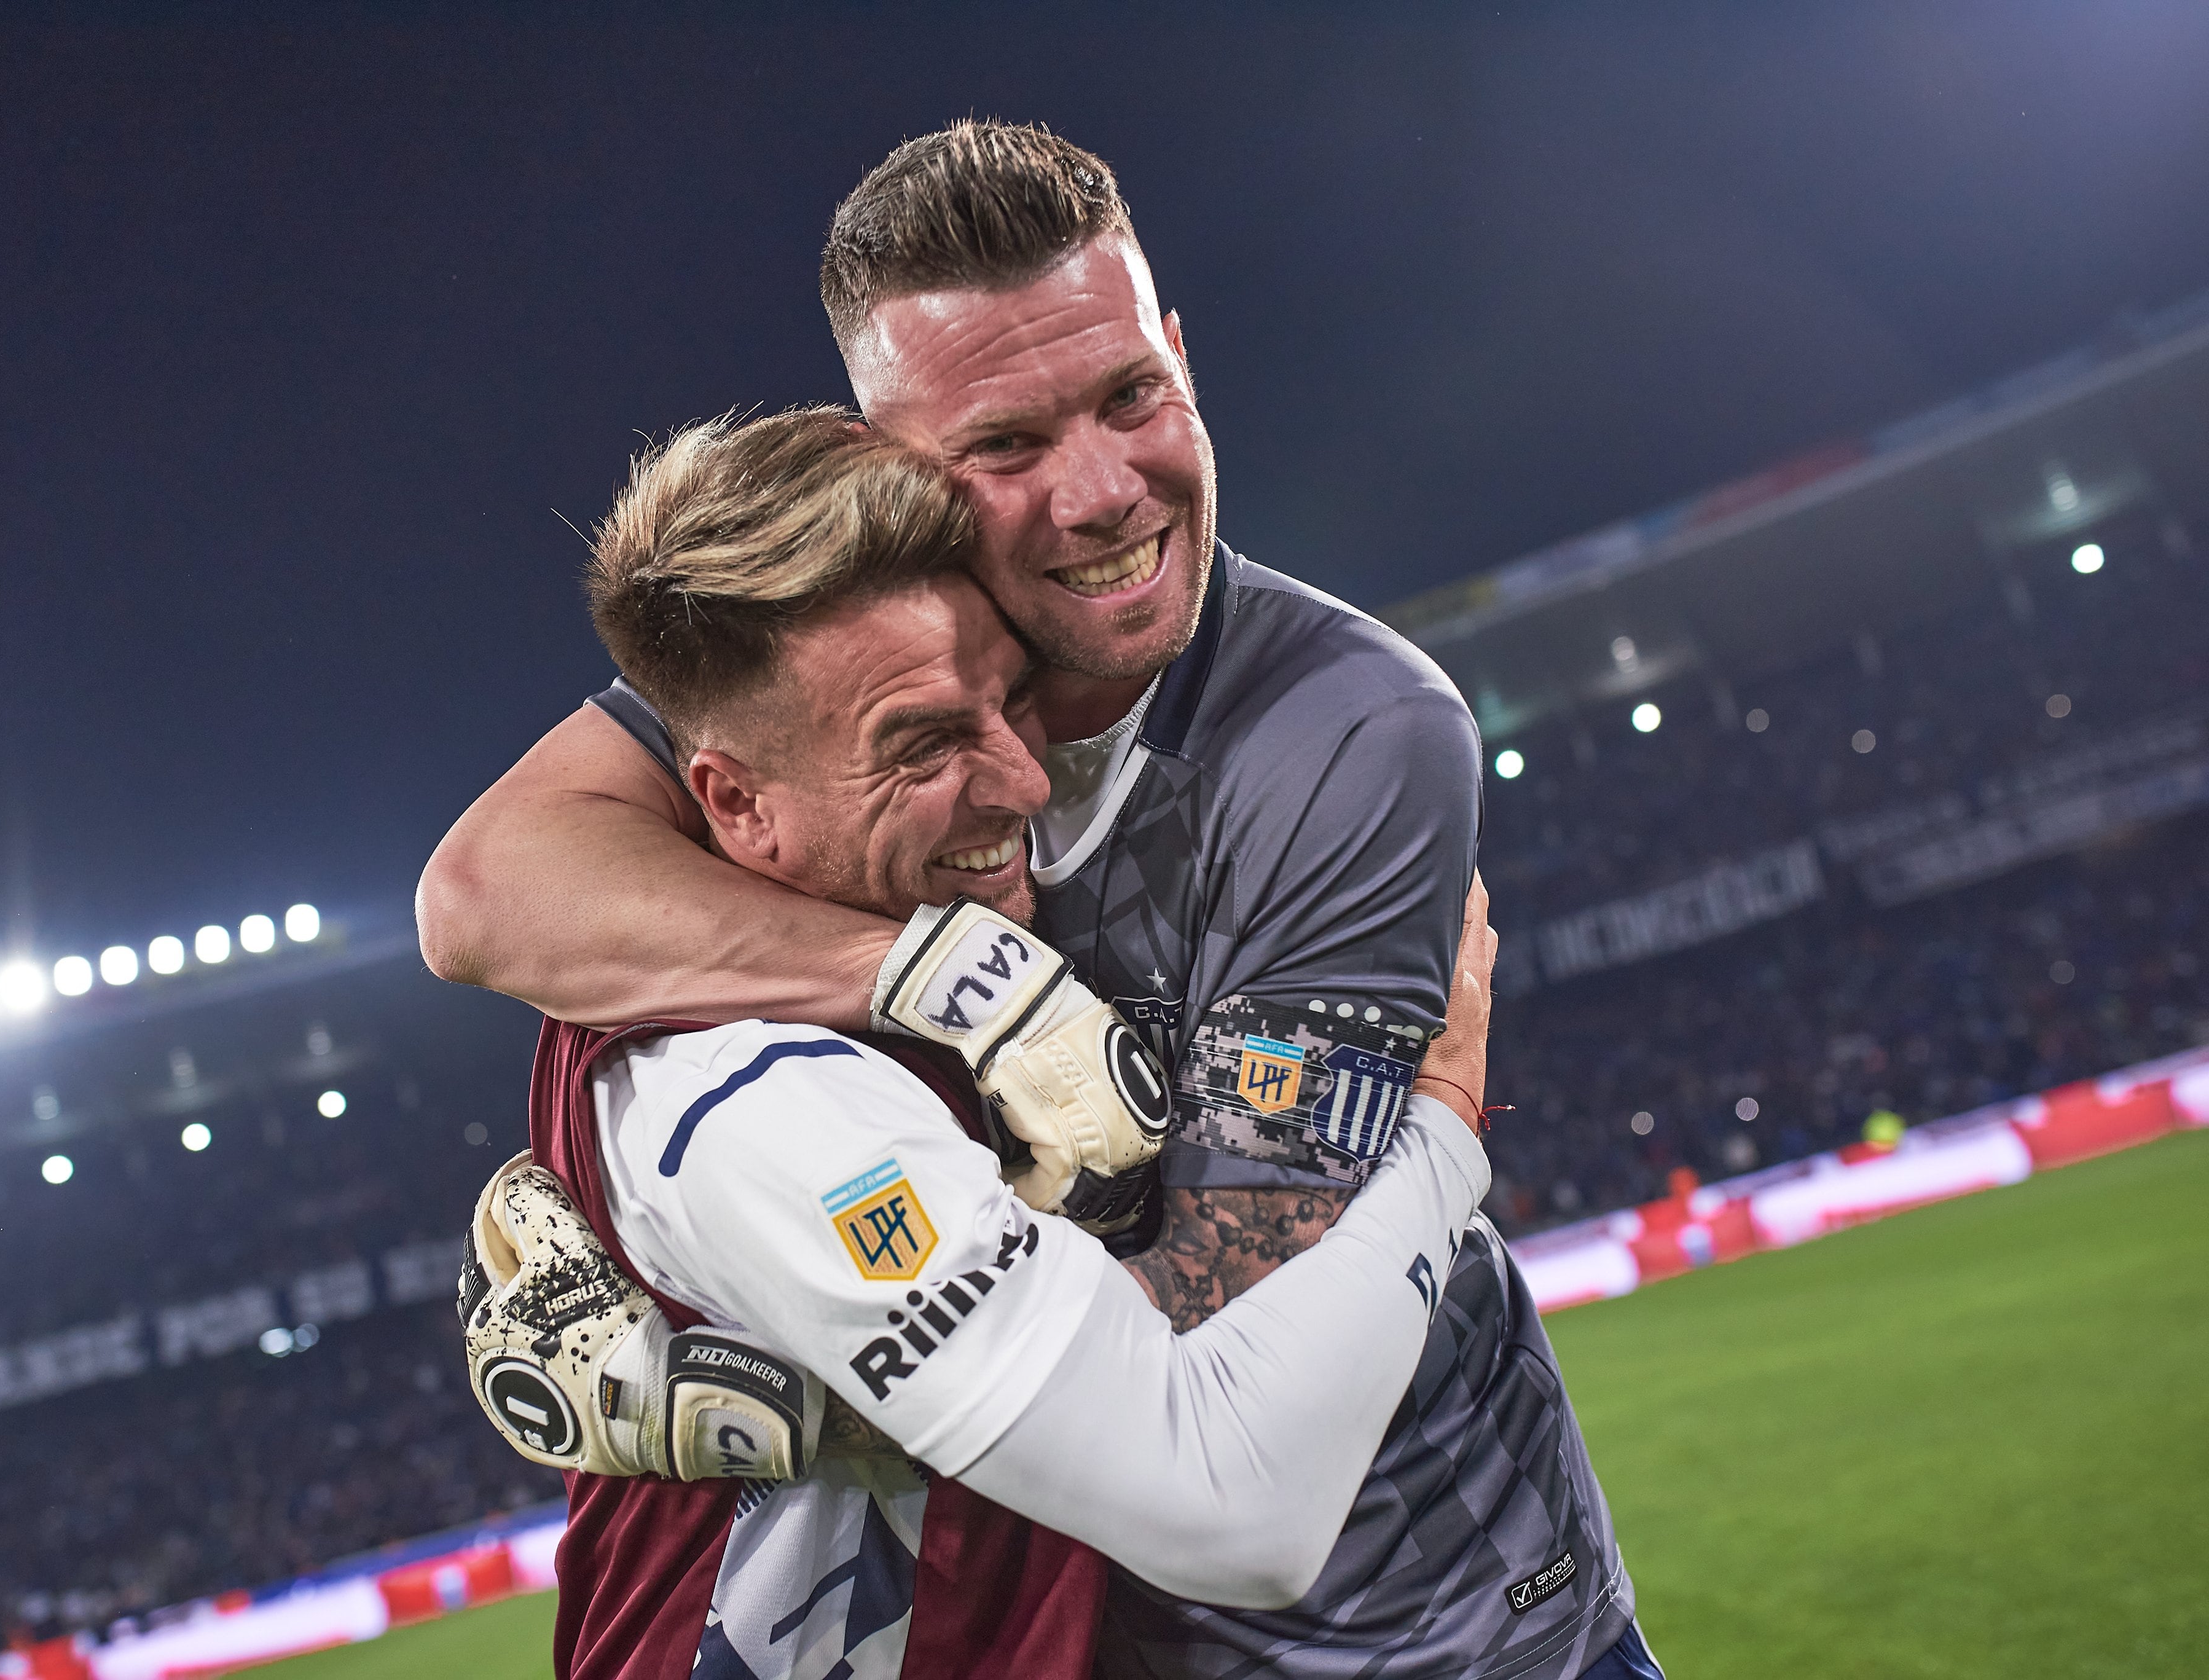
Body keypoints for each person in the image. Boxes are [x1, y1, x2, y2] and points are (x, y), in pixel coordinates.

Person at [422, 122, 1655, 1680]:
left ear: (1179, 357)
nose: (1099, 492)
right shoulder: (828, 663)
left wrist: (758, 1371)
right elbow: (483, 894)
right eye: (1003, 445)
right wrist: (947, 984)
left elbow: (1207, 1363)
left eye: (1130, 396)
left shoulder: (1342, 737)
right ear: (893, 466)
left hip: (1431, 1635)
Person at [465, 407, 1496, 1679]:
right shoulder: (769, 1099)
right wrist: (1441, 1121)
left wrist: (803, 1403)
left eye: (1011, 701)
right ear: (730, 800)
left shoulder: (773, 956)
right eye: (924, 744)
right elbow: (1239, 1505)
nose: (1019, 780)